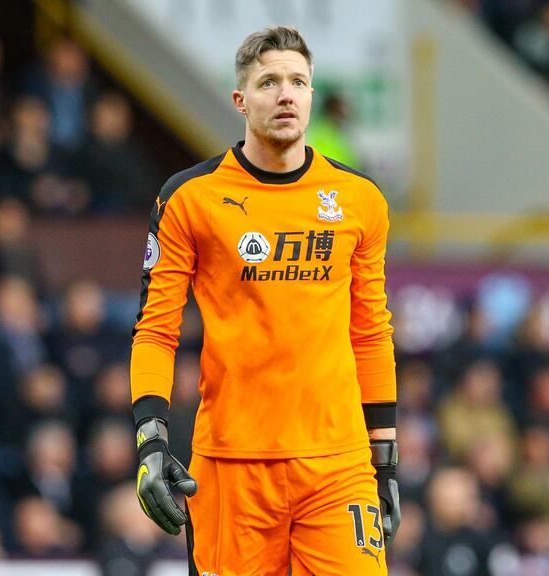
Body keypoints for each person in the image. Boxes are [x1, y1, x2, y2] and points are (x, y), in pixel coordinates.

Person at [130, 27, 400, 575]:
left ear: (311, 96)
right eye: (269, 82)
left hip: (338, 462)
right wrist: (151, 441)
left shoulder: (359, 200)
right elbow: (156, 331)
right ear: (240, 100)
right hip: (232, 465)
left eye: (298, 81)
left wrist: (386, 462)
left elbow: (371, 333)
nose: (285, 94)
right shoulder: (190, 198)